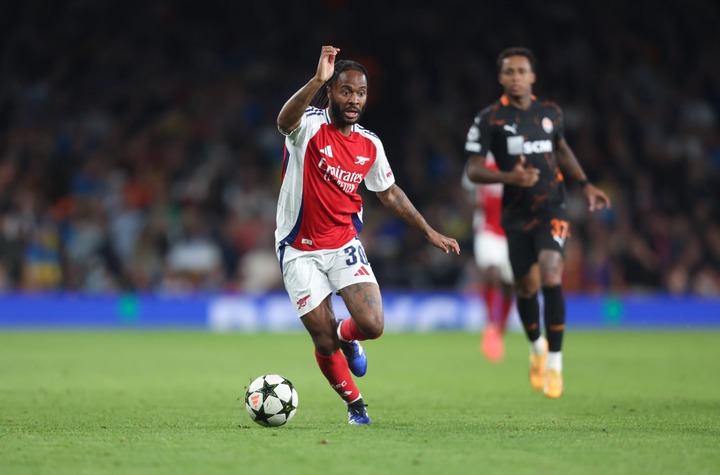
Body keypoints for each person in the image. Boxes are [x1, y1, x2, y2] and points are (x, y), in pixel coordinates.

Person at [275, 46, 460, 424]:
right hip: (299, 248)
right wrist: (316, 80)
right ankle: (356, 406)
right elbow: (283, 120)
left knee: (373, 325)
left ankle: (349, 336)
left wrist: (427, 231)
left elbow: (389, 193)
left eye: (360, 93)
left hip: (343, 243)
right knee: (322, 339)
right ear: (331, 92)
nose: (354, 99)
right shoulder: (307, 126)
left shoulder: (369, 144)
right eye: (345, 91)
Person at [464, 47, 610, 398]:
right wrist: (511, 179)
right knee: (526, 288)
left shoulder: (550, 114)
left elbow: (560, 149)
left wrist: (585, 184)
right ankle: (536, 351)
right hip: (515, 215)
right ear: (501, 78)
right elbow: (473, 168)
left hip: (553, 207)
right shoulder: (489, 119)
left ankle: (556, 364)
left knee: (550, 272)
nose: (516, 77)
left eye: (522, 71)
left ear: (533, 76)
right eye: (509, 72)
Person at [462, 152, 514, 362]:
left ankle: (500, 329)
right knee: (491, 272)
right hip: (487, 228)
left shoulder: (516, 158)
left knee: (510, 283)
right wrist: (473, 205)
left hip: (512, 230)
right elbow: (466, 187)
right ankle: (491, 326)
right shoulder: (480, 160)